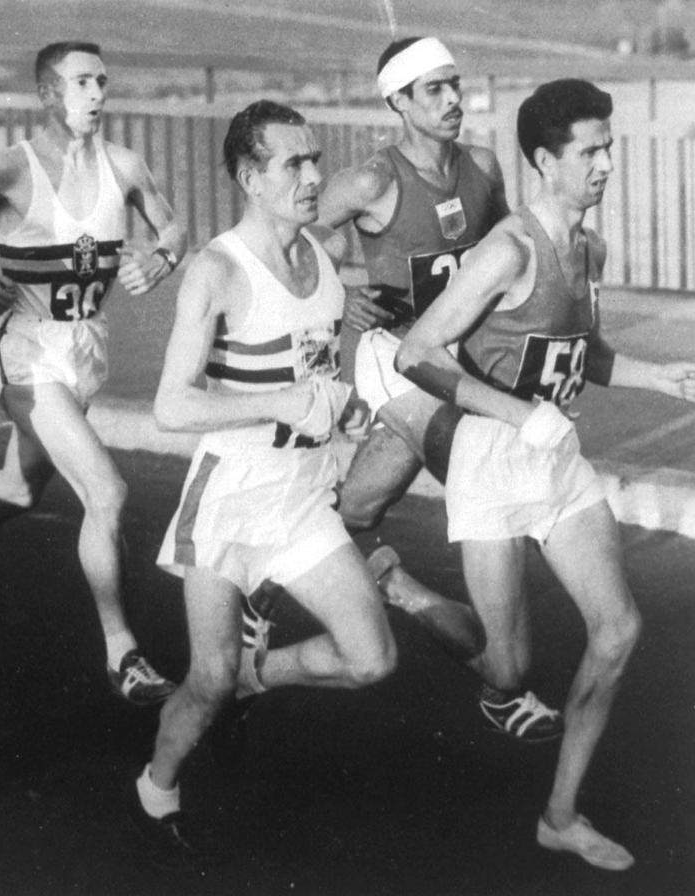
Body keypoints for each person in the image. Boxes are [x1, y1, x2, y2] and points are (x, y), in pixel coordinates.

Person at [398, 78, 695, 871]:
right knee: (508, 669)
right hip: (493, 463)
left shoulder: (587, 247)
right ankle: (408, 592)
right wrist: (514, 413)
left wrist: (660, 377)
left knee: (620, 628)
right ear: (542, 160)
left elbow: (580, 351)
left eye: (608, 147)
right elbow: (417, 352)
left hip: (557, 458)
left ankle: (560, 814)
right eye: (589, 151)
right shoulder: (509, 249)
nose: (605, 164)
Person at [130, 100, 396, 866]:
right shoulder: (217, 270)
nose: (316, 176)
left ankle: (259, 673)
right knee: (203, 682)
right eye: (295, 164)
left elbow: (314, 372)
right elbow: (171, 405)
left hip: (302, 492)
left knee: (371, 658)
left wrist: (341, 421)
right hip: (231, 493)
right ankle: (157, 788)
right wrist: (280, 403)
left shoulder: (321, 258)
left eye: (315, 160)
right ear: (251, 177)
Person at [0, 42, 187, 705]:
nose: (97, 93)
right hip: (27, 354)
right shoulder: (8, 168)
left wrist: (161, 258)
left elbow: (174, 226)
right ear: (49, 94)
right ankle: (121, 651)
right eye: (82, 83)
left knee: (18, 488)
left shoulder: (123, 166)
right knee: (107, 491)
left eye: (102, 81)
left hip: (86, 353)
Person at [315, 36, 561, 740]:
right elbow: (291, 233)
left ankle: (294, 582)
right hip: (395, 358)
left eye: (456, 85)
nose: (454, 100)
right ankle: (503, 684)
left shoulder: (481, 166)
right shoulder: (370, 181)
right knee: (487, 475)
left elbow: (506, 250)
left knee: (355, 512)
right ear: (397, 101)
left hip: (458, 360)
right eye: (434, 90)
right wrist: (345, 293)